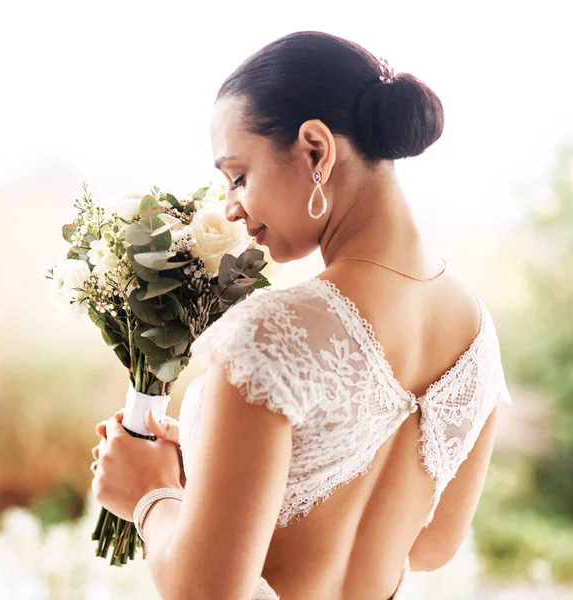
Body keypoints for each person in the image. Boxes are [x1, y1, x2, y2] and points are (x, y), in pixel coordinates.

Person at [91, 31, 512, 600]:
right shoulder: (476, 332)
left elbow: (205, 593)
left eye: (238, 176)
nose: (232, 207)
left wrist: (149, 495)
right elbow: (431, 544)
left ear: (315, 149)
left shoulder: (271, 332)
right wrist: (223, 480)